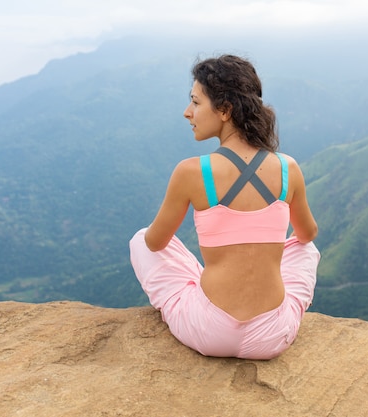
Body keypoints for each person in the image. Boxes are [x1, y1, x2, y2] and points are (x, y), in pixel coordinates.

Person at [129, 54, 320, 360]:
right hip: (271, 337)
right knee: (304, 250)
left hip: (208, 333)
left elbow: (155, 243)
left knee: (140, 239)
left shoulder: (192, 172)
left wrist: (198, 268)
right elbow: (307, 235)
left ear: (225, 110)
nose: (187, 113)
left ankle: (197, 289)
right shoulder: (288, 169)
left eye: (195, 102)